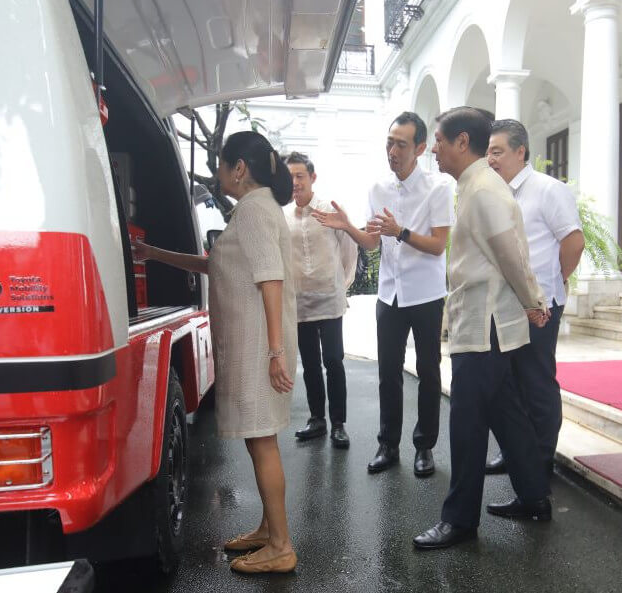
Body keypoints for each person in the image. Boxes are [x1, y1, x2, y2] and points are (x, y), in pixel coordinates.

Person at [133, 131, 298, 574]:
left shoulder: (255, 210)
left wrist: (275, 352)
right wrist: (153, 254)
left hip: (259, 346)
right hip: (258, 344)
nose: (219, 171)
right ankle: (270, 529)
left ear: (238, 169)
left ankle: (281, 547)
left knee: (262, 440)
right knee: (259, 439)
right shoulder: (255, 208)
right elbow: (216, 265)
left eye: (222, 163)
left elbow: (270, 279)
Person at [413, 107, 551, 551]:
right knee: (506, 413)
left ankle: (459, 520)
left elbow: (511, 255)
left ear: (461, 142)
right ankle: (535, 496)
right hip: (481, 319)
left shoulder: (483, 190)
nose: (434, 149)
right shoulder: (475, 186)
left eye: (438, 140)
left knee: (468, 421)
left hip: (484, 321)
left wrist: (534, 302)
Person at [312, 112, 454, 477]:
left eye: (401, 145)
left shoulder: (438, 188)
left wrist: (401, 231)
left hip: (425, 294)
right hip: (389, 295)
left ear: (419, 148)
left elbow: (439, 245)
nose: (392, 151)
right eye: (389, 143)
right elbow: (373, 243)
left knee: (428, 371)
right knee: (388, 372)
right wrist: (347, 227)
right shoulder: (378, 189)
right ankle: (388, 444)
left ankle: (424, 447)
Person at [484, 119, 584, 476]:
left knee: (536, 382)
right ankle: (515, 453)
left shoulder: (548, 190)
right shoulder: (495, 194)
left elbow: (574, 241)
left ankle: (540, 461)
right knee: (508, 384)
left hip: (537, 307)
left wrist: (554, 282)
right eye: (488, 152)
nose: (490, 159)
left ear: (520, 151)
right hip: (503, 305)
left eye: (497, 151)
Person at [284, 152, 357, 448]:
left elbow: (349, 250)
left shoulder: (330, 210)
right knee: (311, 364)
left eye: (300, 176)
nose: (295, 182)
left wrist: (341, 284)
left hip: (329, 299)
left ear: (312, 178)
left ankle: (338, 423)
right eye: (290, 177)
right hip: (299, 302)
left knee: (333, 360)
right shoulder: (283, 216)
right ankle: (317, 419)